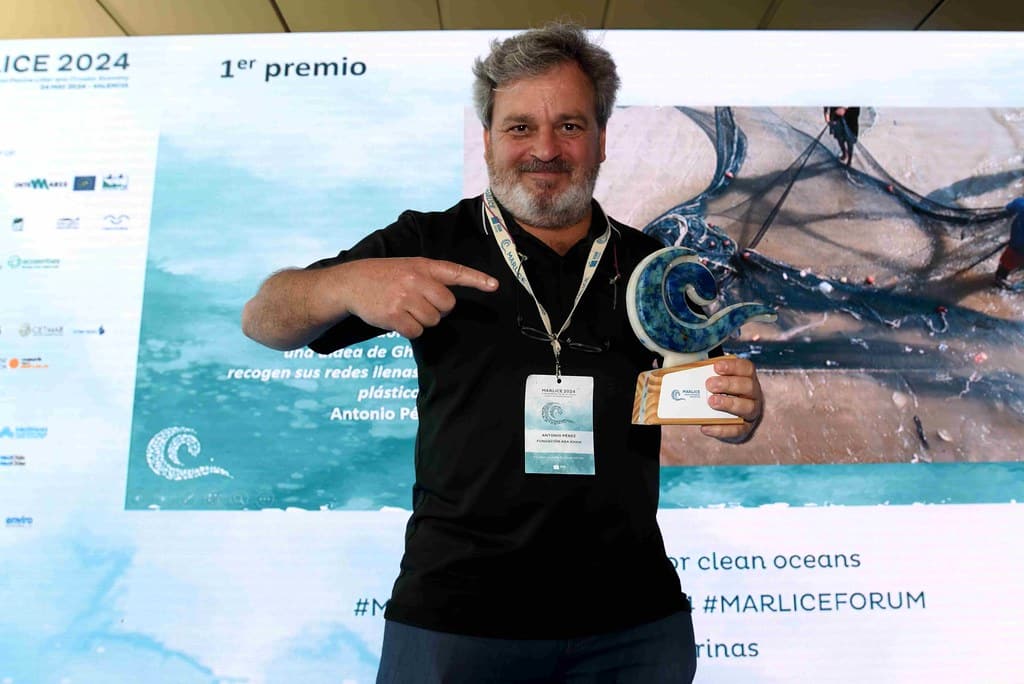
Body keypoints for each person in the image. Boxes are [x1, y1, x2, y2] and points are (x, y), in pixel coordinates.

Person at [242, 23, 764, 683]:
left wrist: (741, 409)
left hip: (631, 627)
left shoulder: (654, 266)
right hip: (456, 621)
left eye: (570, 125)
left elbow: (715, 393)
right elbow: (264, 319)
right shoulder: (426, 242)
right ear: (488, 139)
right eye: (520, 127)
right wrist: (344, 284)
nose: (545, 149)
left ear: (602, 139)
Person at [995, 197, 1024, 289]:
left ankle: (1000, 280)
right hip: (1018, 244)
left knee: (1003, 270)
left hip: (1017, 245)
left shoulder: (1020, 203)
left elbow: (1009, 208)